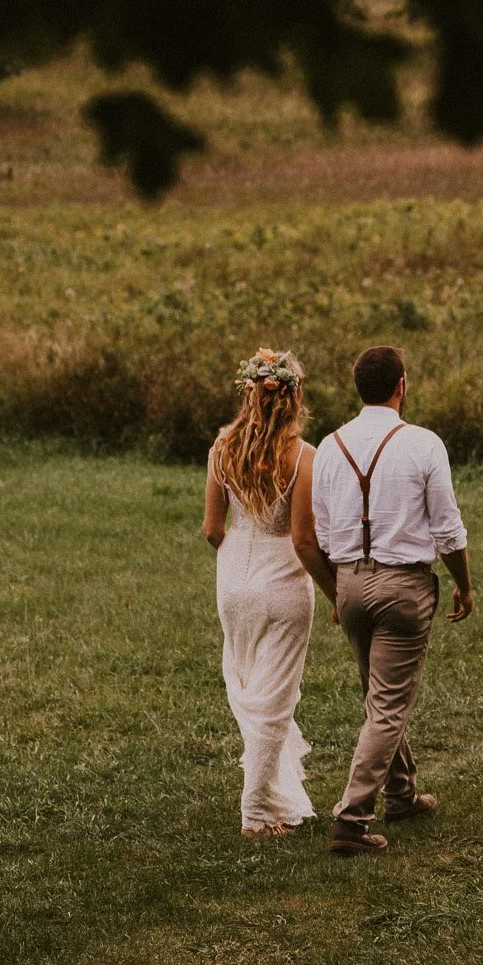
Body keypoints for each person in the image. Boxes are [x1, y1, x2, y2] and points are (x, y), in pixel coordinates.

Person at [293, 345, 473, 857]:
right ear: (401, 385)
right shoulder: (423, 444)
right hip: (403, 587)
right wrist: (464, 583)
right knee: (389, 705)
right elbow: (448, 531)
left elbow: (323, 532)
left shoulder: (329, 446)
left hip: (348, 583)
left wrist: (340, 588)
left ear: (359, 388)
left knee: (379, 699)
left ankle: (402, 794)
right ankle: (351, 820)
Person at [204, 348, 319, 837]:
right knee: (275, 699)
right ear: (292, 399)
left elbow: (212, 529)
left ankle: (271, 795)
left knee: (251, 689)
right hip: (284, 584)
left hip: (234, 581)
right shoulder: (304, 456)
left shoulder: (221, 449)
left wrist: (239, 552)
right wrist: (335, 592)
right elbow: (302, 539)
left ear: (251, 392)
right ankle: (256, 813)